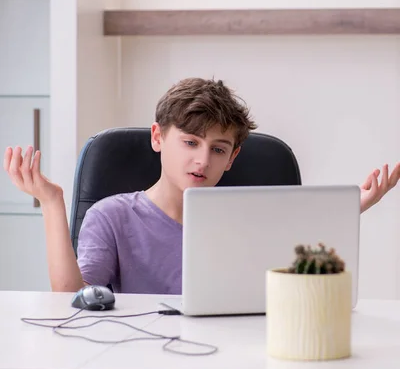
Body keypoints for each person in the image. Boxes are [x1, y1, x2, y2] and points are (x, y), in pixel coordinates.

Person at [3, 77, 400, 294]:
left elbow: (302, 234)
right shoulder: (112, 216)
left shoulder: (247, 217)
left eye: (218, 149)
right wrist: (53, 203)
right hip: (142, 359)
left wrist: (357, 205)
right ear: (158, 137)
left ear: (232, 159)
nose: (202, 160)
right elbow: (73, 296)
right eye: (190, 142)